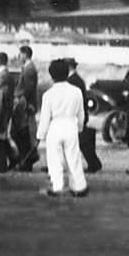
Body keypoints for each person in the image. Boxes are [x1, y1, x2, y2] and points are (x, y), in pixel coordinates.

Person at [37, 59, 89, 198]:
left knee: (55, 159)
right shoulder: (76, 91)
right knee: (74, 158)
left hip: (55, 127)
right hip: (71, 125)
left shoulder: (48, 94)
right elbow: (81, 113)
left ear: (52, 75)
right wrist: (80, 127)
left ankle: (57, 186)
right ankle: (79, 186)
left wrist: (40, 136)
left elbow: (45, 118)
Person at [65, 57, 101, 174]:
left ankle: (93, 163)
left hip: (75, 115)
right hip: (79, 114)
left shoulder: (72, 80)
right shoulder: (77, 79)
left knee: (79, 141)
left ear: (69, 67)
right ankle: (93, 163)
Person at [12, 45, 40, 171]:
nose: (18, 57)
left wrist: (27, 104)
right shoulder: (28, 69)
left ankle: (27, 159)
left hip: (25, 105)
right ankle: (26, 159)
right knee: (23, 134)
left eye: (20, 54)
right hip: (25, 104)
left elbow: (28, 89)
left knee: (22, 133)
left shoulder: (29, 70)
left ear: (25, 54)